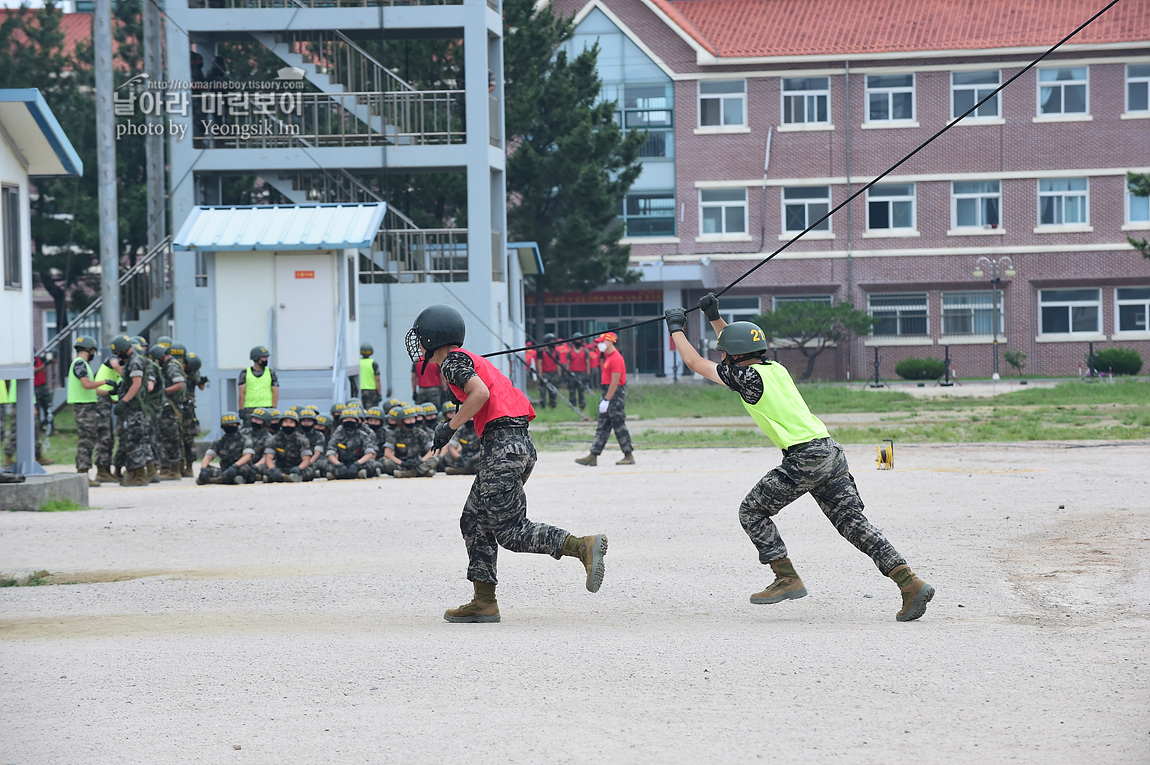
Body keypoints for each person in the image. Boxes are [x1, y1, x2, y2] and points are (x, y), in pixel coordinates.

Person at [664, 294, 935, 622]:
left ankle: (786, 577)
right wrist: (714, 316)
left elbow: (695, 364)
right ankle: (909, 583)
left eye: (723, 353)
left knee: (751, 511)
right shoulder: (773, 368)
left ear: (733, 357)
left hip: (804, 457)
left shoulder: (745, 377)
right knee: (853, 524)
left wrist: (676, 328)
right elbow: (737, 346)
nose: (721, 357)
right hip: (831, 452)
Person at [407, 303, 608, 623]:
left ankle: (580, 546)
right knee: (473, 520)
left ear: (434, 336)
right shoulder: (467, 360)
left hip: (503, 448)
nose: (418, 344)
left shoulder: (451, 362)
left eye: (421, 337)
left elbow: (480, 394)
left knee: (511, 531)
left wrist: (450, 427)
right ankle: (484, 601)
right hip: (513, 445)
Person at [575, 332, 634, 466]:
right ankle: (593, 455)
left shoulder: (616, 358)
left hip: (614, 395)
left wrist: (607, 400)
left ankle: (628, 455)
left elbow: (615, 381)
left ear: (610, 342)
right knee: (602, 426)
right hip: (608, 394)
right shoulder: (609, 357)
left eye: (602, 342)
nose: (599, 345)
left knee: (619, 426)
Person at [67, 336, 117, 487]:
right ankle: (82, 475)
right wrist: (105, 381)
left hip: (87, 406)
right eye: (94, 350)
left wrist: (110, 393)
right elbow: (87, 384)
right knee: (86, 441)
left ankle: (83, 474)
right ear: (89, 349)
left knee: (89, 439)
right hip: (83, 408)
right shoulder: (80, 364)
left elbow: (92, 390)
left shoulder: (83, 364)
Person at [109, 335, 151, 487]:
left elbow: (136, 384)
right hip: (132, 407)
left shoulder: (135, 361)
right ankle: (134, 473)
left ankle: (138, 475)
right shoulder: (132, 361)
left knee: (134, 440)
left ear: (122, 350)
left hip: (134, 408)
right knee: (130, 440)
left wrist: (124, 401)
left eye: (118, 353)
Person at [197, 411, 256, 485]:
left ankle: (217, 480)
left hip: (241, 468)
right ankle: (232, 479)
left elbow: (248, 456)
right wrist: (203, 469)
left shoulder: (245, 439)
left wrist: (235, 466)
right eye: (227, 424)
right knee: (208, 470)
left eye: (232, 424)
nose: (230, 426)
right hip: (225, 469)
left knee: (242, 470)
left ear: (237, 425)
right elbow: (208, 456)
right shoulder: (219, 441)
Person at [91, 349, 123, 483]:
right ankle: (102, 471)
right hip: (100, 402)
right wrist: (126, 375)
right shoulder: (113, 359)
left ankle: (105, 470)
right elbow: (115, 365)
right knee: (104, 437)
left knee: (108, 437)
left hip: (106, 401)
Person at [382, 404, 437, 478]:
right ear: (401, 421)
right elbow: (387, 453)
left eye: (413, 419)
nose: (411, 421)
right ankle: (421, 473)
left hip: (418, 463)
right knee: (386, 463)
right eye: (408, 419)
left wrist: (421, 460)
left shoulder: (420, 433)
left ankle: (407, 473)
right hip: (401, 463)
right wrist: (402, 463)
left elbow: (432, 450)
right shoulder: (394, 434)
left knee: (434, 460)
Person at [325, 407, 378, 479]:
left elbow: (370, 453)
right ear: (341, 422)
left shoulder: (362, 435)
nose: (349, 421)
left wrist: (357, 464)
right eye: (346, 419)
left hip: (358, 462)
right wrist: (339, 464)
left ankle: (343, 475)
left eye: (351, 419)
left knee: (373, 464)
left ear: (356, 422)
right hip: (341, 463)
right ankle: (353, 474)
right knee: (325, 465)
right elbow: (330, 453)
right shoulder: (336, 435)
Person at [262, 410, 314, 483]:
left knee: (310, 471)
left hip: (297, 467)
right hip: (280, 467)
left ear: (295, 425)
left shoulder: (302, 439)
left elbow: (306, 459)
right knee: (265, 469)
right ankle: (285, 477)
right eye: (285, 422)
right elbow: (268, 458)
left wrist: (299, 468)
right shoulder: (273, 439)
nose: (288, 425)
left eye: (291, 422)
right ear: (281, 424)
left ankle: (284, 478)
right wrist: (273, 469)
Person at [238, 346, 278, 425]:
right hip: (250, 409)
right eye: (264, 357)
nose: (266, 360)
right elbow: (241, 393)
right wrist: (241, 409)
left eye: (267, 357)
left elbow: (275, 391)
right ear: (256, 358)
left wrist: (274, 408)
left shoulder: (270, 373)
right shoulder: (245, 373)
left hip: (267, 407)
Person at [535, 333, 560, 409]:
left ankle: (552, 407)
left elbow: (558, 364)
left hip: (553, 374)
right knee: (543, 392)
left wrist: (559, 374)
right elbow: (539, 363)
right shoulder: (541, 352)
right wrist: (540, 375)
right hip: (545, 374)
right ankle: (543, 406)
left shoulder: (556, 352)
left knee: (553, 392)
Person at [567, 338, 590, 409]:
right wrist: (567, 373)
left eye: (579, 340)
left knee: (581, 391)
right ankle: (572, 406)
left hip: (582, 374)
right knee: (572, 391)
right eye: (576, 340)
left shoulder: (585, 351)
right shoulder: (570, 352)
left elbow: (587, 362)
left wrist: (588, 374)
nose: (578, 342)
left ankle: (582, 406)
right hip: (572, 374)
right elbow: (568, 363)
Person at [359, 342, 383, 409]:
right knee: (371, 411)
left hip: (360, 390)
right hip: (371, 391)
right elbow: (377, 379)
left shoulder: (358, 363)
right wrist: (379, 393)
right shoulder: (373, 363)